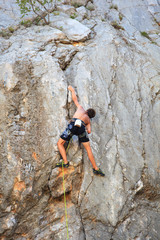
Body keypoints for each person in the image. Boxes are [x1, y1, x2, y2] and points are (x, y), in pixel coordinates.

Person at [56, 85, 105, 176]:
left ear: (87, 110)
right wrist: (87, 124)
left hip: (73, 125)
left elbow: (75, 99)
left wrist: (72, 90)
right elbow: (89, 131)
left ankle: (65, 162)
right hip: (82, 128)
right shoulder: (88, 121)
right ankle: (96, 168)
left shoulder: (80, 108)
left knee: (60, 143)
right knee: (88, 148)